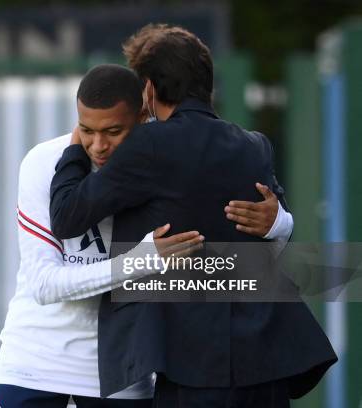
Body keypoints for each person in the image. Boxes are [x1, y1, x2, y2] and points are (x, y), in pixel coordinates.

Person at [49, 26, 337, 407]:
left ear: (148, 90)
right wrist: (282, 222)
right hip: (267, 358)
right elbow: (277, 225)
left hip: (195, 366)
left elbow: (68, 215)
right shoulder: (253, 145)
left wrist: (74, 149)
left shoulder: (148, 146)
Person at [0, 64, 293, 408]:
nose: (98, 146)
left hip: (121, 375)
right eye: (87, 130)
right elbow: (45, 285)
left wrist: (280, 225)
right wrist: (140, 262)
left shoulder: (171, 164)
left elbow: (236, 269)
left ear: (144, 117)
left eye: (114, 131)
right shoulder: (43, 162)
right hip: (31, 366)